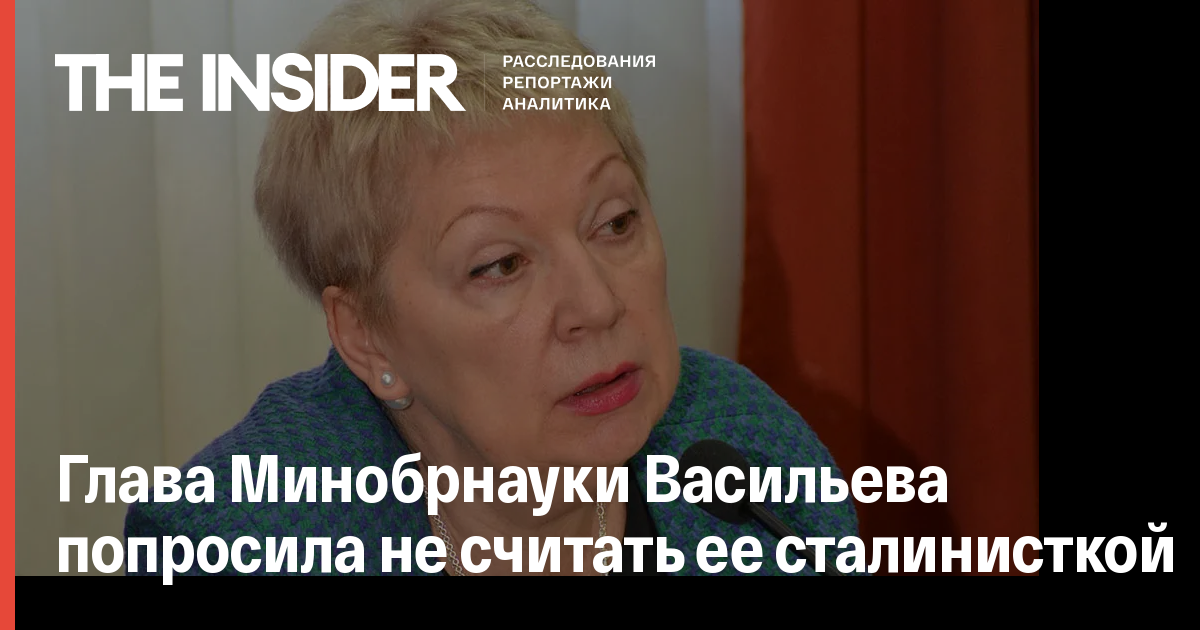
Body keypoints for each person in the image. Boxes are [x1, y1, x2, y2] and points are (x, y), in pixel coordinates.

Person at [124, 0, 859, 576]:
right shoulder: (239, 542)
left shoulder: (747, 457)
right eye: (501, 264)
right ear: (366, 336)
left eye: (614, 222)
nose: (597, 304)